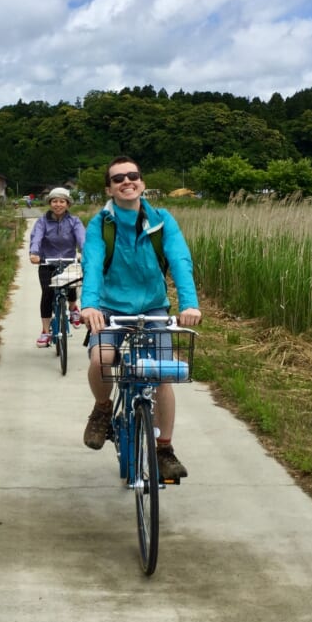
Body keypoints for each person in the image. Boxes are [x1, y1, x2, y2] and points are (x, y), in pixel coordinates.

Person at [79, 157, 202, 480]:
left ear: (142, 184)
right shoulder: (100, 224)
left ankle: (164, 449)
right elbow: (92, 265)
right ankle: (102, 410)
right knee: (101, 360)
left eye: (133, 176)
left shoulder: (162, 220)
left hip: (153, 308)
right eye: (118, 178)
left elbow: (179, 260)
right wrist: (89, 304)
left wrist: (189, 304)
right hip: (109, 308)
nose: (126, 181)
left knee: (161, 375)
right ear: (109, 188)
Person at [29, 187, 86, 348]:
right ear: (50, 203)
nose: (58, 204)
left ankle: (73, 308)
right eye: (54, 201)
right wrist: (34, 253)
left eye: (62, 201)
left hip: (68, 260)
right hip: (47, 262)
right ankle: (45, 331)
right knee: (47, 293)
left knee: (72, 283)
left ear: (67, 204)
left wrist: (85, 252)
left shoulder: (74, 221)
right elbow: (37, 238)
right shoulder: (42, 222)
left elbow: (82, 238)